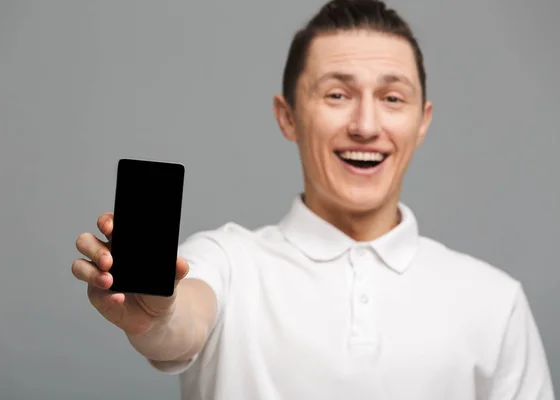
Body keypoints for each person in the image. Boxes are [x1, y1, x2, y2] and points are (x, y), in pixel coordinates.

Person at [72, 0, 556, 399]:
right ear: (288, 117)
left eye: (392, 98)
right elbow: (182, 319)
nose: (366, 126)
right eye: (337, 95)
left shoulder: (496, 302)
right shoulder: (227, 261)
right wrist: (158, 317)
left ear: (422, 121)